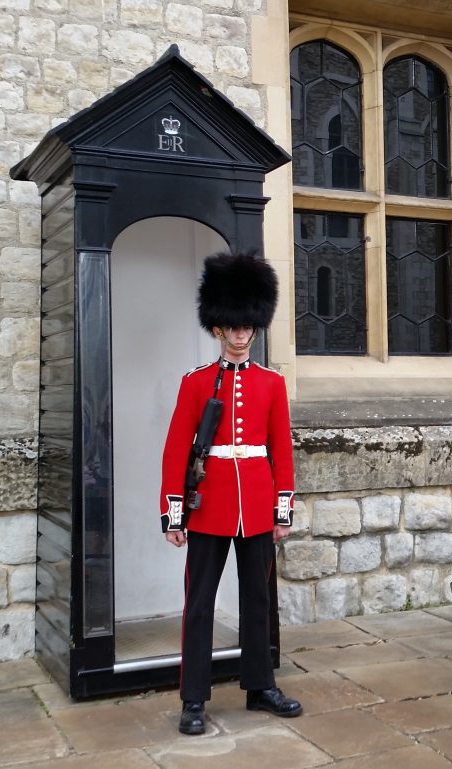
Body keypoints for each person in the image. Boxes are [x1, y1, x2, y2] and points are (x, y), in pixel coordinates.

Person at [160, 251, 302, 735]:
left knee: (258, 601)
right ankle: (194, 697)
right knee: (199, 603)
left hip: (258, 506)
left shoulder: (272, 385)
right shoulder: (197, 383)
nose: (241, 334)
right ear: (219, 328)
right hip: (209, 508)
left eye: (247, 326)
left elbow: (281, 452)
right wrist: (173, 513)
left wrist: (282, 508)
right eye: (233, 326)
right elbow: (176, 449)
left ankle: (260, 686)